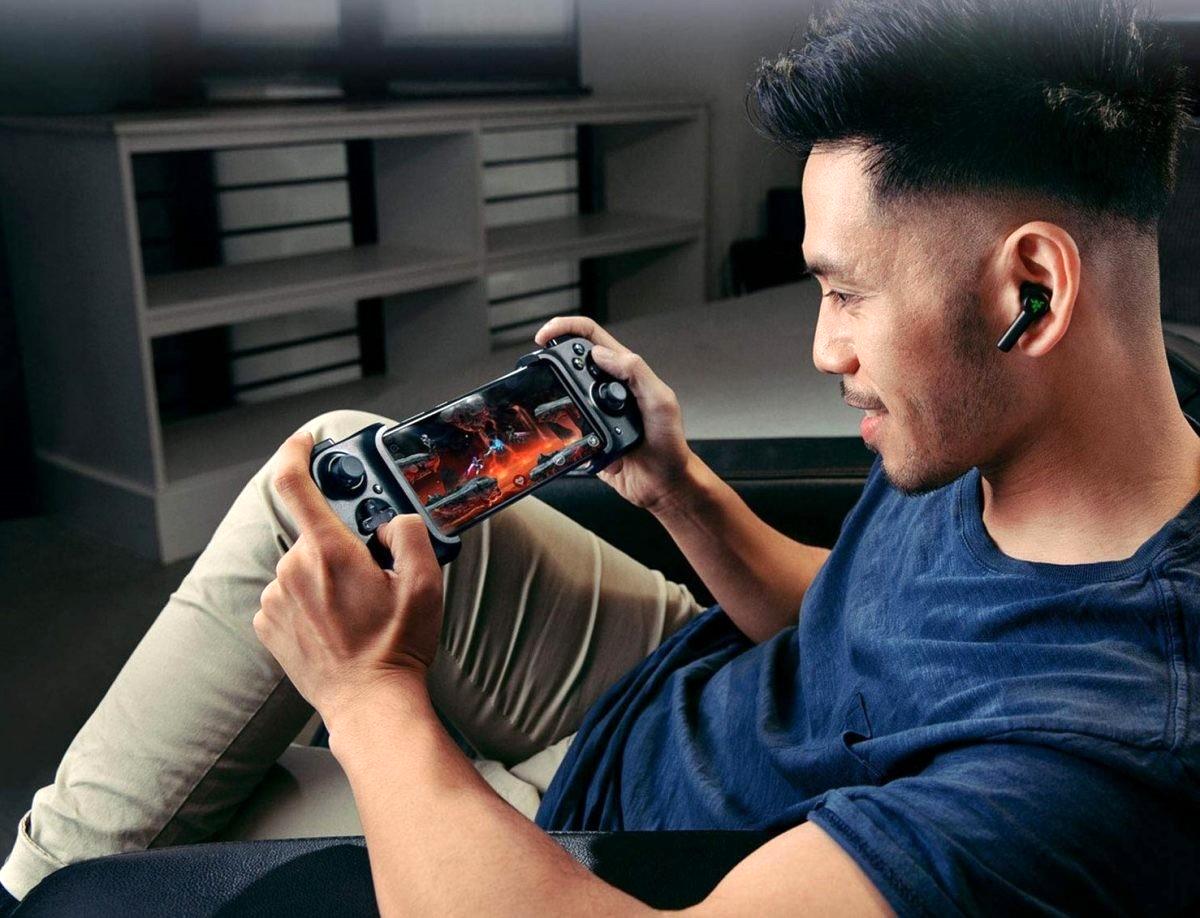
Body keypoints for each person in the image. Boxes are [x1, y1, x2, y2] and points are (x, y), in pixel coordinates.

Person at [4, 0, 1200, 912]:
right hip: (679, 676)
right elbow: (848, 611)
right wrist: (679, 490)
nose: (823, 348)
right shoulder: (1030, 439)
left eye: (845, 293)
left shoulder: (1086, 763)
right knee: (334, 471)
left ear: (1030, 292)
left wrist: (368, 696)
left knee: (110, 882)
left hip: (620, 828)